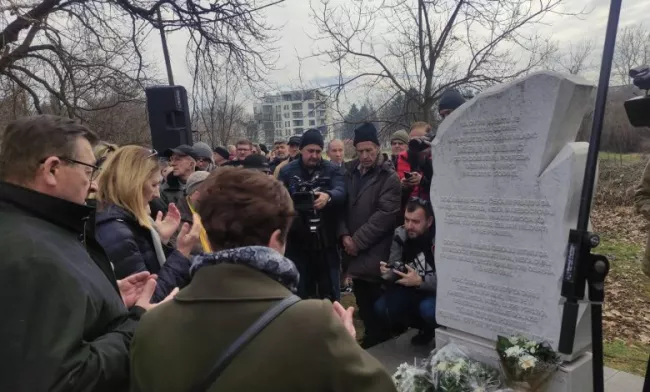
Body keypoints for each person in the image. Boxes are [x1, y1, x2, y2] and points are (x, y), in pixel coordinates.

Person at [130, 167, 396, 392]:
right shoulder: (315, 323)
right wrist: (346, 347)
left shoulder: (151, 327)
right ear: (275, 239)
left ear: (207, 236)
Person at [0, 115, 163, 391]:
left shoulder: (38, 230)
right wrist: (137, 324)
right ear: (52, 169)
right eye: (88, 171)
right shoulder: (32, 256)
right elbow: (60, 380)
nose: (95, 185)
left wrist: (106, 300)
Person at [95, 146, 201, 302]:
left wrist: (161, 240)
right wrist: (182, 253)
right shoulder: (116, 232)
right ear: (132, 184)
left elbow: (156, 269)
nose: (157, 194)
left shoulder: (130, 222)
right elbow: (148, 299)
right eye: (153, 185)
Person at [339, 122, 401, 348]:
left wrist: (357, 241)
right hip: (351, 247)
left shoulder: (388, 177)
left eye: (369, 150)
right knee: (361, 294)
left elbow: (385, 214)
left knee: (376, 297)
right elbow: (341, 206)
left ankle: (381, 338)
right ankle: (373, 336)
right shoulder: (348, 172)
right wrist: (344, 234)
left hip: (376, 248)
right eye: (361, 151)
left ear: (377, 148)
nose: (365, 156)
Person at [278, 129, 346, 301]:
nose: (314, 155)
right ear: (301, 150)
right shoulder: (287, 171)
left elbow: (342, 190)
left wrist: (328, 196)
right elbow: (278, 198)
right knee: (298, 289)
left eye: (318, 151)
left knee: (329, 289)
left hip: (325, 238)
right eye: (310, 151)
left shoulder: (331, 170)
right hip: (297, 238)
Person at [375, 198, 436, 346]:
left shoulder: (439, 240)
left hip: (435, 292)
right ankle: (421, 328)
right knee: (382, 307)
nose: (409, 226)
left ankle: (435, 330)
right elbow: (394, 263)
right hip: (411, 288)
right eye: (407, 220)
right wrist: (389, 271)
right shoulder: (400, 234)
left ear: (429, 222)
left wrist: (420, 281)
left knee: (428, 309)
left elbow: (449, 280)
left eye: (416, 222)